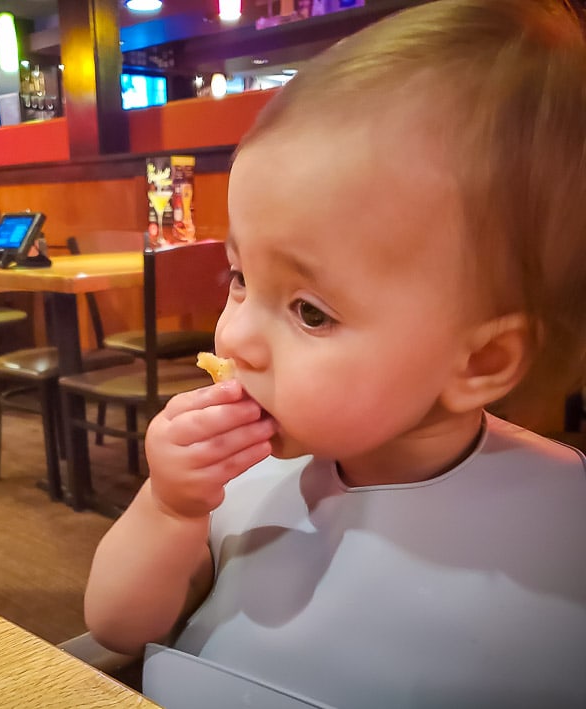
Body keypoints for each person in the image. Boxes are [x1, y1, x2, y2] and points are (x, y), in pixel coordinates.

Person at [84, 0, 586, 707]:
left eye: (310, 311)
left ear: (479, 361)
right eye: (239, 279)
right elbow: (118, 626)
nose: (233, 339)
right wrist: (169, 508)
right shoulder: (236, 480)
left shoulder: (561, 534)